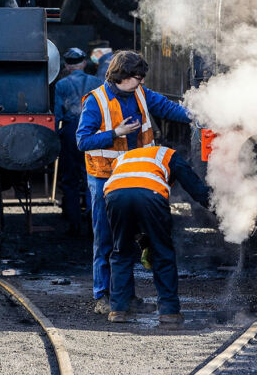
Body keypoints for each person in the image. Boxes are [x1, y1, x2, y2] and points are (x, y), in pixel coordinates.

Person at [77, 50, 193, 314]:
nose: (141, 83)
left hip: (134, 177)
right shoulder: (95, 101)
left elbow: (168, 108)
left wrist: (197, 116)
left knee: (129, 240)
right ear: (123, 76)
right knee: (106, 239)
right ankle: (103, 296)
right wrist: (115, 133)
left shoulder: (140, 93)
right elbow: (82, 141)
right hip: (105, 178)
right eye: (137, 78)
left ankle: (125, 298)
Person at [104, 145, 210, 328]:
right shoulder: (171, 156)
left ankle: (118, 309)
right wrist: (219, 209)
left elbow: (129, 192)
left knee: (120, 252)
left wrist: (140, 236)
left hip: (115, 195)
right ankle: (169, 312)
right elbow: (196, 188)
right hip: (150, 194)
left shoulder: (126, 158)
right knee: (162, 252)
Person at [53, 48, 102, 234]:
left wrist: (55, 137)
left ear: (66, 65)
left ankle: (73, 222)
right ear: (83, 63)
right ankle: (93, 221)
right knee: (93, 176)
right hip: (93, 131)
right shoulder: (97, 83)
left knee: (70, 179)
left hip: (71, 131)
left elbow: (57, 114)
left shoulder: (61, 85)